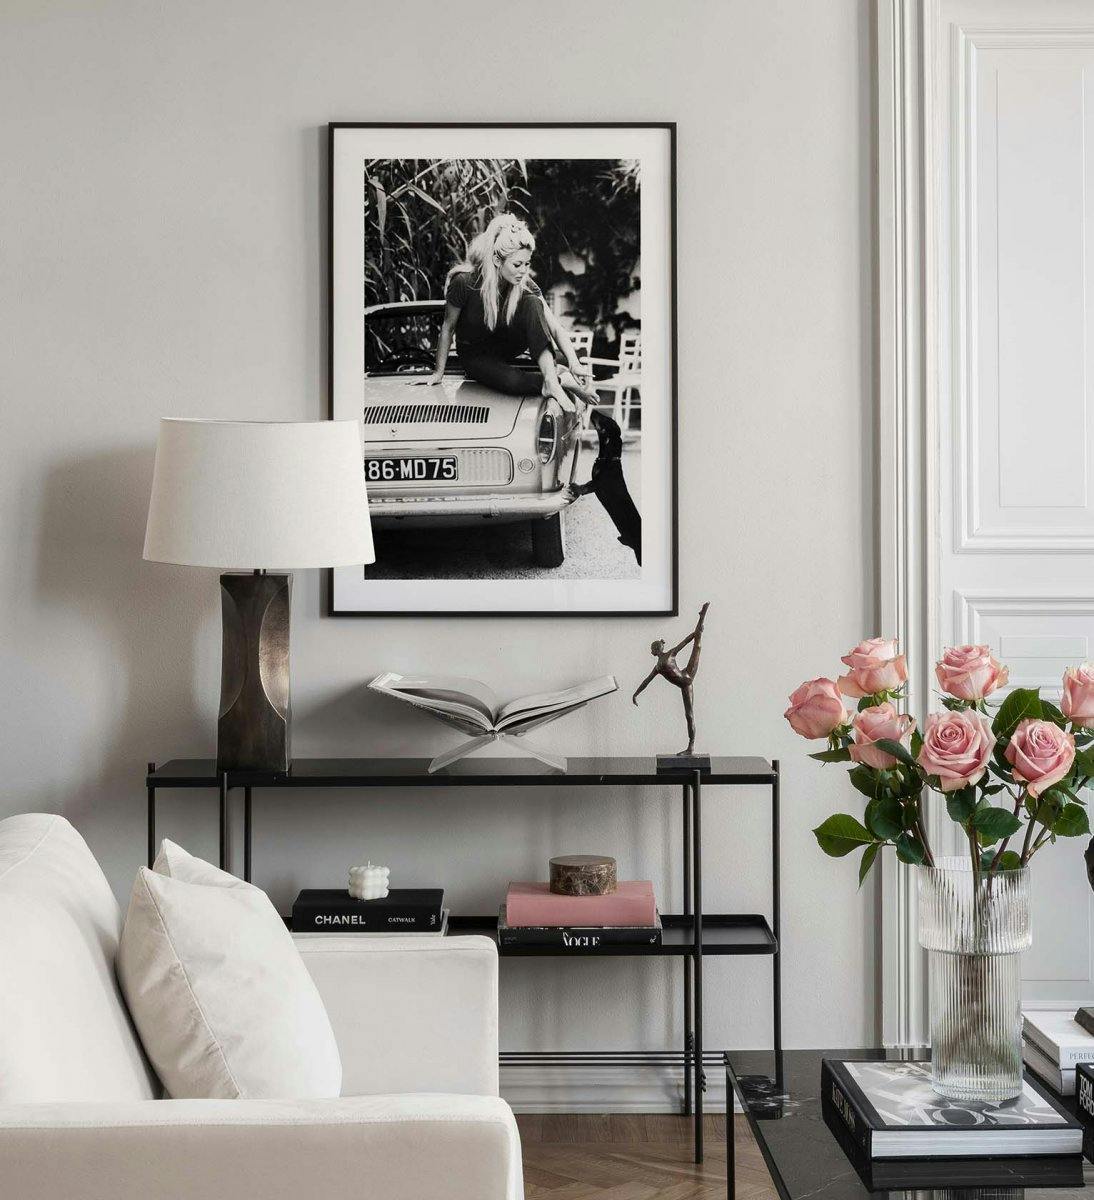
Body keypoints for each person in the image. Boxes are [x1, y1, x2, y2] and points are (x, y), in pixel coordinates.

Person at [410, 214, 596, 411]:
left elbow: (555, 328)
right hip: (476, 355)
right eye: (517, 265)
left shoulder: (524, 284)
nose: (523, 271)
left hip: (507, 347)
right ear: (497, 259)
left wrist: (574, 362)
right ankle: (560, 379)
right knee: (513, 382)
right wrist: (438, 373)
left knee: (533, 303)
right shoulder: (464, 283)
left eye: (527, 264)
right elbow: (448, 327)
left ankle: (551, 380)